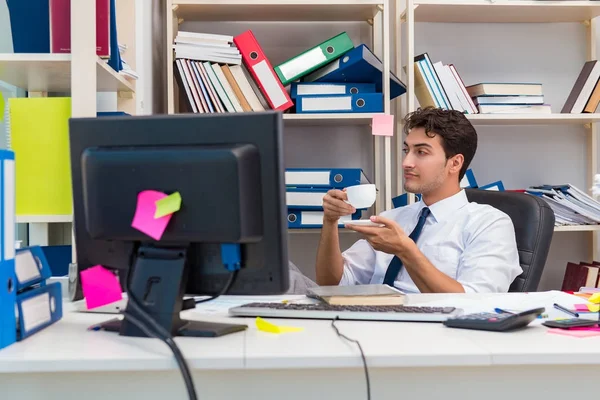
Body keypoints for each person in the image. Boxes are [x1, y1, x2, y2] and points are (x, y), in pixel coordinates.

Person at [315, 107, 522, 293]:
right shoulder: (393, 219)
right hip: (373, 324)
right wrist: (330, 222)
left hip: (437, 332)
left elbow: (473, 303)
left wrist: (406, 251)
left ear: (455, 163)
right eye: (407, 150)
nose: (406, 162)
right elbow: (332, 283)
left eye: (421, 152)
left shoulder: (489, 224)